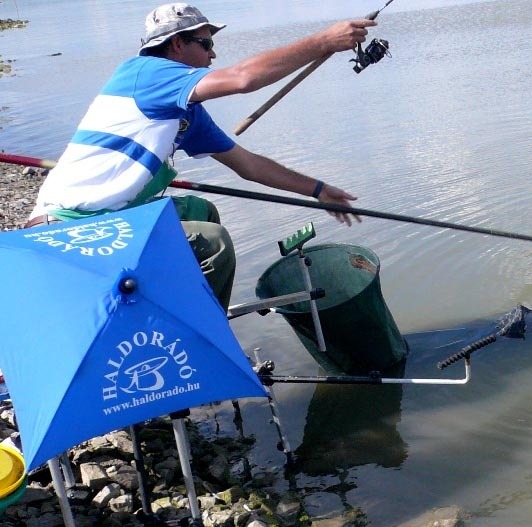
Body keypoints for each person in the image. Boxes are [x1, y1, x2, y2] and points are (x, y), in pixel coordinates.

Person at [26, 3, 377, 308]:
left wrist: (318, 190)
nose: (213, 54)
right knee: (213, 244)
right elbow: (242, 79)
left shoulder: (185, 113)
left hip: (115, 213)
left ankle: (176, 299)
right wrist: (322, 42)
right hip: (74, 222)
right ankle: (200, 332)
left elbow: (248, 165)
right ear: (177, 44)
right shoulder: (145, 74)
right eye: (206, 43)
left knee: (201, 211)